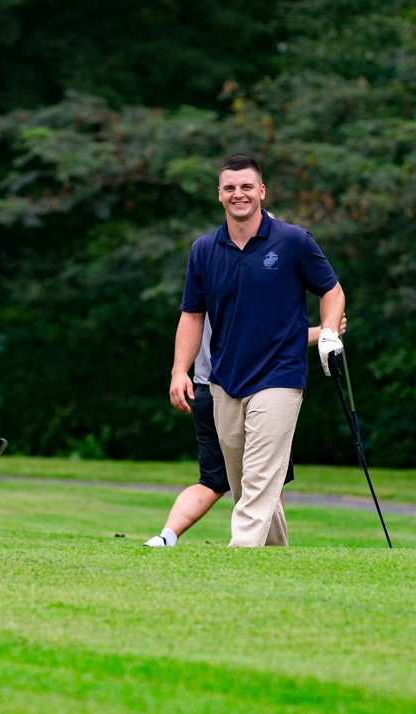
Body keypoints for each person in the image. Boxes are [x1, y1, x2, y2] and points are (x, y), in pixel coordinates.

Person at [168, 155, 345, 547]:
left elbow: (331, 290)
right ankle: (273, 561)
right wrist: (180, 370)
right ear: (219, 194)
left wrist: (329, 332)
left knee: (260, 476)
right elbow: (192, 315)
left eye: (247, 186)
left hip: (280, 378)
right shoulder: (204, 249)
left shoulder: (293, 240)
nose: (239, 194)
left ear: (261, 191)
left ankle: (240, 557)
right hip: (225, 382)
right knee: (248, 484)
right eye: (230, 187)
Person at [145, 314, 345, 547]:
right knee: (267, 477)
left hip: (204, 391)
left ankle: (165, 537)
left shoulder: (209, 289)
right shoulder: (242, 290)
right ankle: (268, 548)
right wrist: (324, 331)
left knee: (210, 482)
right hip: (246, 391)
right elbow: (266, 341)